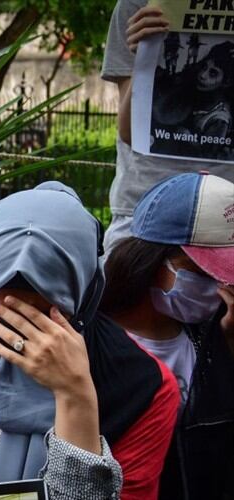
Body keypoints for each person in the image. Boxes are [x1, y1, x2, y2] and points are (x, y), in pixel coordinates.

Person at [0, 182, 180, 500]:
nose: (26, 337)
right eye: (5, 313)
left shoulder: (145, 388)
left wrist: (75, 395)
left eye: (44, 315)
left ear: (85, 294)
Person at [100, 172, 234, 500]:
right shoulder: (94, 339)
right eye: (205, 273)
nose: (219, 287)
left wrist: (226, 348)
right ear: (154, 260)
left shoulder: (210, 334)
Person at [101, 1, 234, 251]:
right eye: (203, 68)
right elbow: (130, 132)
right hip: (144, 207)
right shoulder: (137, 4)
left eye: (213, 72)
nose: (203, 75)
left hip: (224, 214)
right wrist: (145, 57)